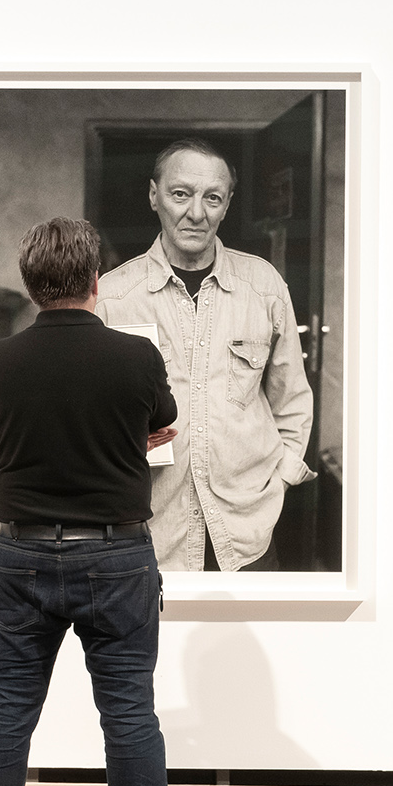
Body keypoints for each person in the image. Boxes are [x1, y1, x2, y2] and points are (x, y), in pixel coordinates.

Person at [0, 217, 200, 786]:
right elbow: (160, 422)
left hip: (20, 553)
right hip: (115, 555)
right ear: (97, 281)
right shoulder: (135, 356)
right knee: (128, 713)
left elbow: (21, 431)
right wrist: (121, 437)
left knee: (7, 707)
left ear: (30, 283)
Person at [96, 141, 314, 572]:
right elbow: (89, 419)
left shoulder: (263, 287)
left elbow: (291, 399)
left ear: (227, 204)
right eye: (181, 194)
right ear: (154, 195)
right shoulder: (111, 298)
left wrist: (281, 480)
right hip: (150, 536)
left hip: (248, 534)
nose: (196, 212)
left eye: (212, 197)